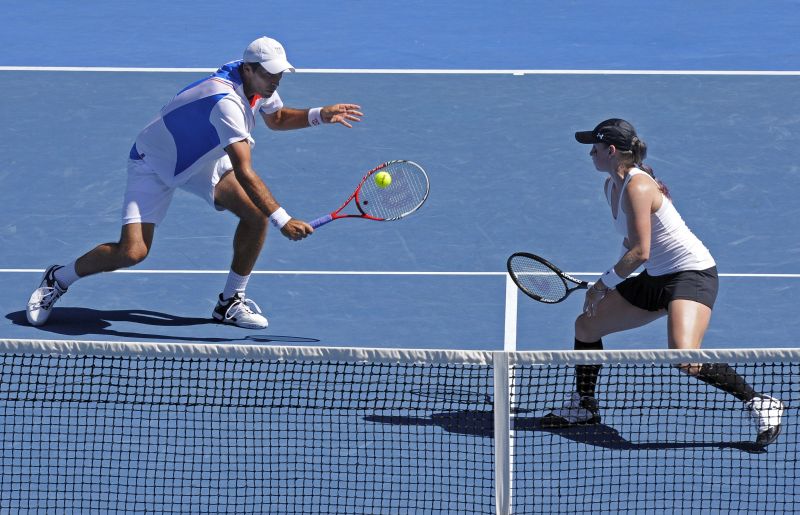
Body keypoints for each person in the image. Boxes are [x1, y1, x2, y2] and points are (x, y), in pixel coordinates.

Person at [26, 36, 363, 330]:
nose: (274, 80)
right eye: (268, 74)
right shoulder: (227, 103)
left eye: (278, 74)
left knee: (254, 215)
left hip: (202, 160)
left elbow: (276, 118)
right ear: (248, 69)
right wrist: (284, 219)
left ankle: (229, 302)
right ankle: (59, 278)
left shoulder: (256, 82)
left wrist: (320, 114)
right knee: (133, 252)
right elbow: (245, 171)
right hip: (154, 163)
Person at [542, 118, 784, 447]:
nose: (590, 154)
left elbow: (642, 252)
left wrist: (604, 283)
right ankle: (584, 405)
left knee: (684, 356)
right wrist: (612, 280)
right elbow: (633, 243)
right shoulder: (611, 186)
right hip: (658, 276)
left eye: (595, 148)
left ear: (611, 151)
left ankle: (759, 402)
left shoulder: (639, 186)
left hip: (691, 274)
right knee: (586, 327)